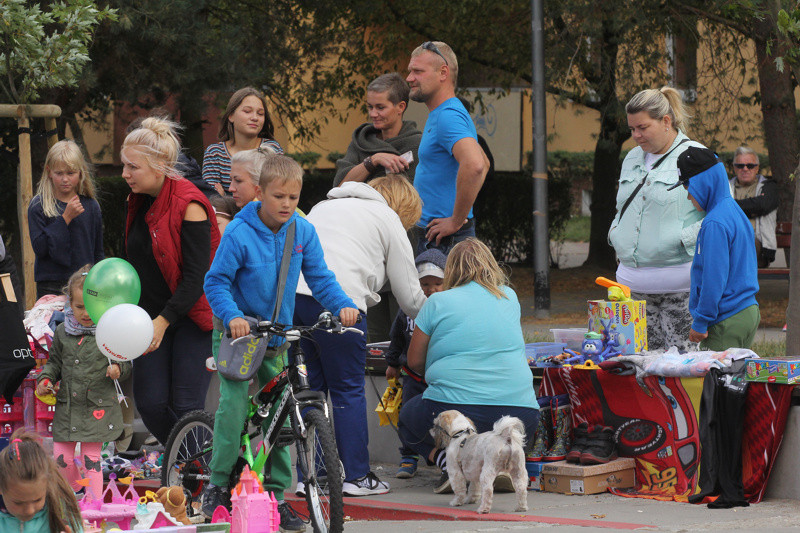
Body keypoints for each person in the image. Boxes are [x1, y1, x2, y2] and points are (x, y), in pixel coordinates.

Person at [203, 154, 358, 530]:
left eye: (293, 196)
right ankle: (217, 483)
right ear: (259, 193)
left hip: (278, 337)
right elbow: (215, 282)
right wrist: (234, 316)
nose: (287, 204)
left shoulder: (301, 231)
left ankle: (275, 495)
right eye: (279, 196)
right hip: (238, 335)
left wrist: (343, 305)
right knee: (236, 404)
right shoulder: (239, 232)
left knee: (281, 414)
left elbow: (320, 277)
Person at [294, 175, 427, 496]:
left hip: (295, 301)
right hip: (344, 306)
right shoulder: (387, 217)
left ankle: (313, 475)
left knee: (310, 392)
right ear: (403, 208)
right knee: (348, 390)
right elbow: (409, 296)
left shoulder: (324, 207)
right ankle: (356, 477)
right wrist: (443, 317)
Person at [398, 238, 539, 494]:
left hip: (458, 413)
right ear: (490, 265)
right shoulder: (510, 297)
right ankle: (500, 467)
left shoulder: (437, 303)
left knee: (407, 417)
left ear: (450, 269)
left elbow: (414, 361)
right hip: (521, 415)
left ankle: (450, 466)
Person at [123, 117, 220, 445]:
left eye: (132, 167)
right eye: (124, 166)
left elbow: (196, 280)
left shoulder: (190, 204)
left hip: (192, 316)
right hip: (151, 315)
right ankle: (187, 460)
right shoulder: (138, 199)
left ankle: (201, 477)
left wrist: (162, 322)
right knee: (149, 404)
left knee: (185, 407)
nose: (124, 174)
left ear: (159, 165)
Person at [607, 87, 705, 351]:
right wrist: (616, 234)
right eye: (632, 129)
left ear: (665, 121)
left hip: (680, 289)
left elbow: (720, 216)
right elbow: (621, 207)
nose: (636, 136)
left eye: (642, 127)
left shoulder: (696, 156)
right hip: (630, 290)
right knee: (637, 369)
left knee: (680, 369)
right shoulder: (631, 158)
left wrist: (681, 240)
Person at [35, 265, 132, 499]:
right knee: (62, 460)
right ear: (69, 303)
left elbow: (126, 360)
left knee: (92, 460)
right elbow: (54, 363)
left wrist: (118, 368)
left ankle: (94, 505)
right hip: (69, 408)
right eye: (79, 307)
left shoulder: (109, 331)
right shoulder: (61, 332)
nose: (86, 313)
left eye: (91, 307)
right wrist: (45, 378)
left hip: (97, 406)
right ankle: (70, 496)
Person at [668, 147, 760, 350]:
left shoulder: (714, 223)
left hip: (726, 318)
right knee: (735, 380)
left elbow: (713, 277)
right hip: (747, 310)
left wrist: (701, 321)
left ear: (702, 182)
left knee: (714, 381)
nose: (688, 197)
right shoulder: (734, 211)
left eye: (687, 187)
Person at [406, 41, 488, 254]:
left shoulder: (448, 116)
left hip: (443, 240)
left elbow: (476, 164)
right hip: (440, 236)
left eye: (417, 71)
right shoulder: (446, 112)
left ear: (443, 73)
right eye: (410, 71)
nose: (409, 78)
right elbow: (484, 163)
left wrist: (456, 221)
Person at [385, 248, 446, 479]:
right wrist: (393, 364)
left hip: (440, 378)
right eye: (425, 285)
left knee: (442, 419)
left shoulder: (448, 310)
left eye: (437, 284)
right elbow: (397, 338)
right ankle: (408, 456)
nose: (431, 290)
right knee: (407, 417)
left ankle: (443, 458)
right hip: (414, 377)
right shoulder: (407, 311)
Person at [28, 140, 103, 299]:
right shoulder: (39, 205)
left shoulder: (91, 206)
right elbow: (40, 249)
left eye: (70, 173)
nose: (65, 179)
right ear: (49, 172)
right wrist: (65, 219)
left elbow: (98, 251)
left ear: (80, 173)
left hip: (85, 282)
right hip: (50, 284)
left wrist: (99, 280)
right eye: (59, 173)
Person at [333, 73, 422, 186]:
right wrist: (373, 160)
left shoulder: (417, 145)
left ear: (401, 107)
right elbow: (340, 186)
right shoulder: (361, 141)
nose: (373, 114)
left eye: (380, 107)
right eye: (370, 107)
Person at [203, 87, 284, 196]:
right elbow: (212, 199)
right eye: (247, 111)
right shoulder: (215, 153)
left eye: (260, 113)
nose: (255, 117)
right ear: (231, 116)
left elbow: (278, 193)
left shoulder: (272, 149)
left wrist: (225, 198)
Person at [0, 429, 83, 533]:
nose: (29, 510)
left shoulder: (62, 505)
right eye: (18, 503)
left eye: (37, 500)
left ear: (47, 485)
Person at [729, 146, 778, 268]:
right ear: (734, 168)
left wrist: (731, 207)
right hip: (729, 240)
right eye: (740, 166)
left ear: (757, 168)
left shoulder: (769, 187)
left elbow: (762, 205)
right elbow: (718, 208)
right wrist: (751, 208)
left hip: (759, 246)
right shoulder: (726, 187)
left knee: (744, 242)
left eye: (750, 165)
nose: (745, 169)